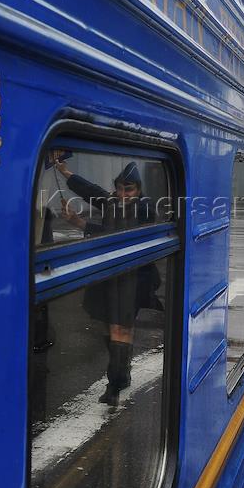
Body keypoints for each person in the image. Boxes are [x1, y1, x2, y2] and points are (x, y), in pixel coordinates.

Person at [54, 154, 161, 406]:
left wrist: (79, 222)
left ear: (139, 189)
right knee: (113, 326)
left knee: (119, 328)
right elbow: (91, 190)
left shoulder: (144, 208)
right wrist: (66, 173)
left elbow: (117, 235)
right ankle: (122, 373)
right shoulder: (113, 201)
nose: (124, 194)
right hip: (111, 276)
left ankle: (114, 383)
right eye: (120, 188)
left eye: (129, 189)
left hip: (133, 278)